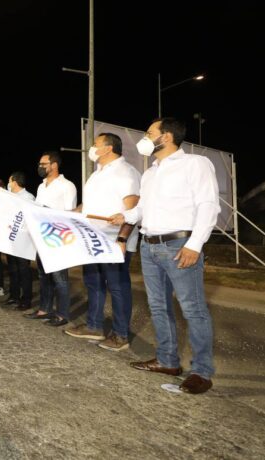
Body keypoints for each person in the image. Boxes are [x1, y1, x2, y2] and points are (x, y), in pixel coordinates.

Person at [109, 118, 220, 394]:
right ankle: (168, 360)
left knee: (192, 309)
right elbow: (142, 210)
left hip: (179, 244)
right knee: (158, 306)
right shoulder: (150, 172)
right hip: (149, 246)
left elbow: (208, 205)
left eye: (149, 133)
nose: (145, 138)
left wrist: (195, 244)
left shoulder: (195, 164)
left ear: (167, 136)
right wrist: (125, 216)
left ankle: (202, 371)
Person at [65, 133, 141, 351]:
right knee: (93, 282)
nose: (92, 149)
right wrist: (70, 213)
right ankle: (94, 326)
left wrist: (122, 238)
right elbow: (88, 205)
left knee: (117, 286)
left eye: (95, 145)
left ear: (108, 148)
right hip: (92, 239)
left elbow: (133, 209)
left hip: (113, 241)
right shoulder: (97, 174)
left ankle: (120, 335)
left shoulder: (126, 173)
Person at [25, 151, 77, 327]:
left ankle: (62, 314)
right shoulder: (41, 187)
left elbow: (71, 214)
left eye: (43, 164)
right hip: (41, 236)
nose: (40, 167)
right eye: (40, 164)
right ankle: (44, 309)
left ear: (54, 165)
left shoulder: (67, 186)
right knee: (44, 275)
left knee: (59, 278)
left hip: (57, 237)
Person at [3, 172, 36, 310]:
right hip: (11, 239)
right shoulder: (9, 197)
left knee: (23, 270)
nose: (8, 184)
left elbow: (30, 218)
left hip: (23, 239)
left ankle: (26, 299)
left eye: (9, 181)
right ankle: (14, 296)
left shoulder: (28, 197)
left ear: (15, 182)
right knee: (12, 269)